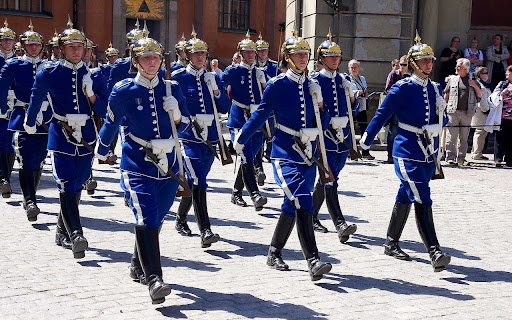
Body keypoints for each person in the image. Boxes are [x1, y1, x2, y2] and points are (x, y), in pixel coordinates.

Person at [96, 36, 190, 304]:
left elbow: (185, 128)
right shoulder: (123, 90)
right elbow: (112, 122)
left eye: (156, 58)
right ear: (135, 61)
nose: (152, 63)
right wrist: (102, 149)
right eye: (146, 58)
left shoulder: (173, 89)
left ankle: (138, 262)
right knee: (146, 215)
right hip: (138, 161)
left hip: (170, 164)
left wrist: (179, 117)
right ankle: (155, 279)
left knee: (158, 216)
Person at [233, 30, 332, 281]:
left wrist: (322, 105)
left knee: (293, 204)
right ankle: (313, 260)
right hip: (285, 153)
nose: (302, 58)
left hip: (308, 156)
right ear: (287, 57)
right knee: (303, 200)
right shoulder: (278, 85)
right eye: (298, 54)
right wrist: (242, 138)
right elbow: (261, 115)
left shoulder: (312, 85)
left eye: (305, 54)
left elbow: (322, 122)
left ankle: (274, 252)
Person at [359, 32, 451, 272]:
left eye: (430, 60)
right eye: (424, 61)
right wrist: (366, 139)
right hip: (406, 150)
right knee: (421, 195)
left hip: (428, 151)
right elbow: (382, 113)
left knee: (406, 194)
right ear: (413, 64)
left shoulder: (435, 87)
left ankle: (391, 242)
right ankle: (434, 251)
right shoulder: (402, 87)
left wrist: (442, 117)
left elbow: (443, 118)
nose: (429, 64)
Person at [24, 18, 107, 259]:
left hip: (87, 136)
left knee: (78, 183)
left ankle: (62, 230)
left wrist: (91, 95)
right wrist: (30, 122)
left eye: (80, 47)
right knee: (66, 183)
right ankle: (76, 234)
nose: (76, 51)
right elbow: (36, 97)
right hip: (61, 134)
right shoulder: (49, 73)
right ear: (61, 48)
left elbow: (106, 110)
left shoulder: (95, 76)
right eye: (71, 47)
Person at [171, 28, 230, 246]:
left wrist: (216, 91)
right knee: (198, 179)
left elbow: (224, 107)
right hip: (189, 136)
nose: (200, 58)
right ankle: (205, 229)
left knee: (197, 181)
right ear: (187, 55)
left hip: (211, 137)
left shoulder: (212, 77)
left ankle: (180, 217)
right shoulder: (177, 77)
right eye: (196, 54)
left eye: (203, 54)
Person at [309, 29, 358, 240]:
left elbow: (352, 110)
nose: (335, 60)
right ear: (322, 59)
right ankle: (340, 224)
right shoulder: (314, 81)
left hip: (343, 138)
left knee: (329, 179)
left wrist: (354, 99)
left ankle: (310, 216)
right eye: (331, 56)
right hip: (325, 138)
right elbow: (312, 112)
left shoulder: (344, 79)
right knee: (330, 180)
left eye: (337, 56)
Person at [0, 21, 52, 221]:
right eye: (30, 45)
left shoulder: (48, 67)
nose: (33, 48)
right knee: (24, 158)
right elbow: (2, 86)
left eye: (37, 44)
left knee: (39, 160)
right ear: (22, 46)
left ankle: (31, 194)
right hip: (22, 113)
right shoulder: (14, 65)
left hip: (45, 117)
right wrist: (4, 107)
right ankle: (30, 199)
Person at [222, 32, 267, 211]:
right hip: (239, 118)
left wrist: (265, 84)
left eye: (252, 52)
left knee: (248, 157)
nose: (250, 55)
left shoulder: (258, 72)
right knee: (245, 155)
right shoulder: (233, 70)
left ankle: (236, 192)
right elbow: (219, 88)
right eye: (247, 52)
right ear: (240, 53)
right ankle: (255, 194)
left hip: (256, 120)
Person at [443, 58, 482, 166]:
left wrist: (473, 85)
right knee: (451, 136)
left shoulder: (473, 81)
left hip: (467, 113)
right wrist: (443, 108)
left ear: (465, 69)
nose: (456, 68)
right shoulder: (452, 79)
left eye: (458, 66)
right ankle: (450, 157)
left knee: (464, 137)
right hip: (453, 112)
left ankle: (461, 158)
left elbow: (480, 95)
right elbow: (446, 94)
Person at [0, 19, 16, 198]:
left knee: (10, 142)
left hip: (15, 106)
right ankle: (3, 176)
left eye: (9, 40)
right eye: (4, 40)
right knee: (2, 140)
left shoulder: (18, 61)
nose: (6, 43)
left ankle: (6, 175)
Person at [347, 59, 374, 160]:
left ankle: (365, 152)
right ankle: (351, 151)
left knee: (364, 128)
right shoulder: (348, 78)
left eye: (355, 67)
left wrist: (365, 93)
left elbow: (365, 89)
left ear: (359, 67)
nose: (354, 69)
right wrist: (358, 92)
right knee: (351, 129)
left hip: (362, 105)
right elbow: (350, 90)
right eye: (352, 67)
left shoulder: (362, 78)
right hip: (353, 106)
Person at [384, 55, 409, 163]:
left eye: (405, 65)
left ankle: (401, 155)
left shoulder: (409, 77)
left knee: (405, 132)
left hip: (406, 109)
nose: (402, 67)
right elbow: (387, 90)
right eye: (401, 64)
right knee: (393, 132)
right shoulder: (393, 75)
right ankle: (390, 155)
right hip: (395, 108)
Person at [491, 65, 512, 167]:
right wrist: (502, 94)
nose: (506, 74)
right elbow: (493, 97)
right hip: (502, 116)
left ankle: (509, 159)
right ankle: (498, 159)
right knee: (500, 139)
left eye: (508, 73)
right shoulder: (502, 84)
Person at [470, 67, 492, 160]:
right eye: (485, 73)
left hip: (482, 112)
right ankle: (476, 153)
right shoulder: (480, 85)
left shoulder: (483, 84)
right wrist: (486, 110)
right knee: (480, 133)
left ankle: (476, 152)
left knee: (481, 133)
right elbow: (482, 100)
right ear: (480, 74)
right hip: (481, 113)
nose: (487, 74)